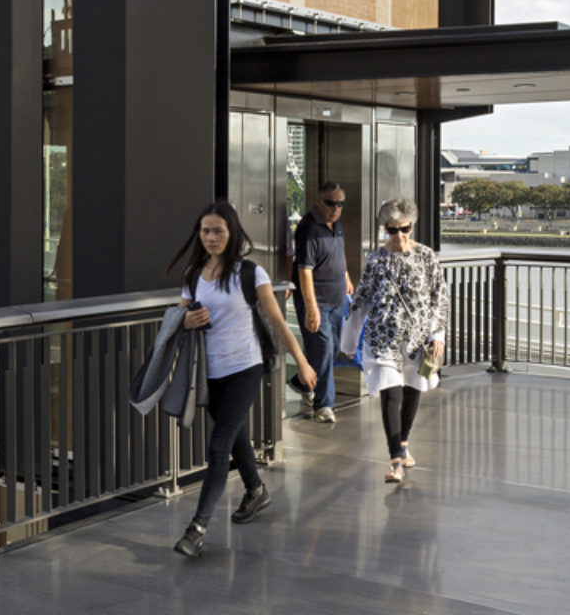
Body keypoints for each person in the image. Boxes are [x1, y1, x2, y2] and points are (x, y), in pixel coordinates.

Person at [169, 200, 317, 558]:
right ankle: (256, 490)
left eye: (218, 230)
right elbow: (179, 316)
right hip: (208, 373)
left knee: (219, 446)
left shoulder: (250, 273)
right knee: (235, 438)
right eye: (205, 231)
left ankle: (197, 528)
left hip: (244, 369)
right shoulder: (193, 274)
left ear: (232, 233)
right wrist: (184, 321)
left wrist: (302, 362)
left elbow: (277, 321)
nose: (211, 237)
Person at [349, 196, 447, 482]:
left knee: (412, 389)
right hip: (382, 338)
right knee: (390, 392)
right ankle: (395, 461)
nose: (399, 235)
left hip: (417, 340)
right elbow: (362, 298)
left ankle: (403, 443)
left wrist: (437, 334)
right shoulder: (376, 258)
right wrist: (349, 339)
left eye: (404, 229)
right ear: (384, 229)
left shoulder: (427, 256)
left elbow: (438, 298)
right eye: (391, 230)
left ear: (412, 226)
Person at [291, 181, 354, 423]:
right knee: (325, 350)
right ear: (319, 201)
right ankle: (323, 405)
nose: (336, 208)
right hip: (318, 302)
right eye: (330, 203)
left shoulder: (336, 224)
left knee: (332, 349)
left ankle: (301, 381)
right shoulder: (309, 228)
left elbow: (339, 253)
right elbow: (304, 270)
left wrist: (346, 276)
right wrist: (311, 307)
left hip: (337, 298)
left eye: (340, 204)